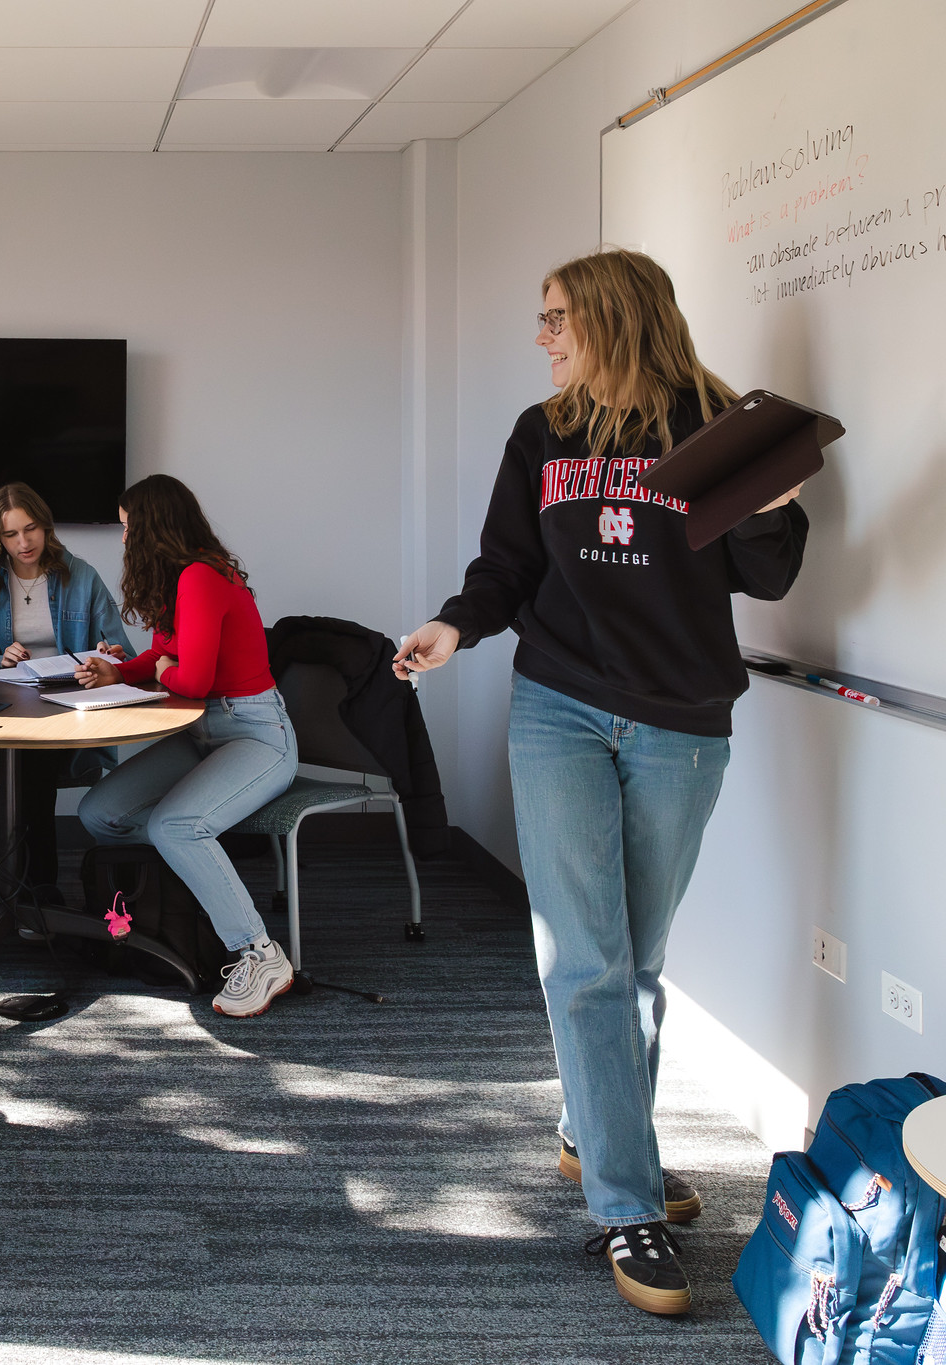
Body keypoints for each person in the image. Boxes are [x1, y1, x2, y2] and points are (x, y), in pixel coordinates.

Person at [394, 249, 807, 1317]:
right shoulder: (544, 434)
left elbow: (765, 575)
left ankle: (591, 1131)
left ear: (614, 318)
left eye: (554, 318)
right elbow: (507, 566)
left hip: (679, 721)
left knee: (638, 958)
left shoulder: (713, 425)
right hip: (557, 710)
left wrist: (771, 500)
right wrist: (454, 625)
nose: (540, 337)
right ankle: (624, 1201)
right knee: (583, 960)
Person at [72, 474, 299, 1018]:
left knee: (173, 825)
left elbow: (191, 680)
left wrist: (165, 669)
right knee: (101, 812)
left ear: (153, 528)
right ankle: (183, 910)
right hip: (202, 734)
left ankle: (259, 953)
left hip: (256, 734)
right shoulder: (179, 580)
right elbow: (162, 658)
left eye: (128, 528)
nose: (124, 540)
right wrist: (117, 672)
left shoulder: (201, 577)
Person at [0, 482, 130, 898]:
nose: (23, 542)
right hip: (4, 707)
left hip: (70, 705)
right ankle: (40, 890)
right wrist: (0, 660)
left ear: (46, 526)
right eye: (11, 534)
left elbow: (123, 651)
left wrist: (108, 654)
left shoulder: (81, 576)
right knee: (29, 757)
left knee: (32, 757)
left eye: (30, 529)